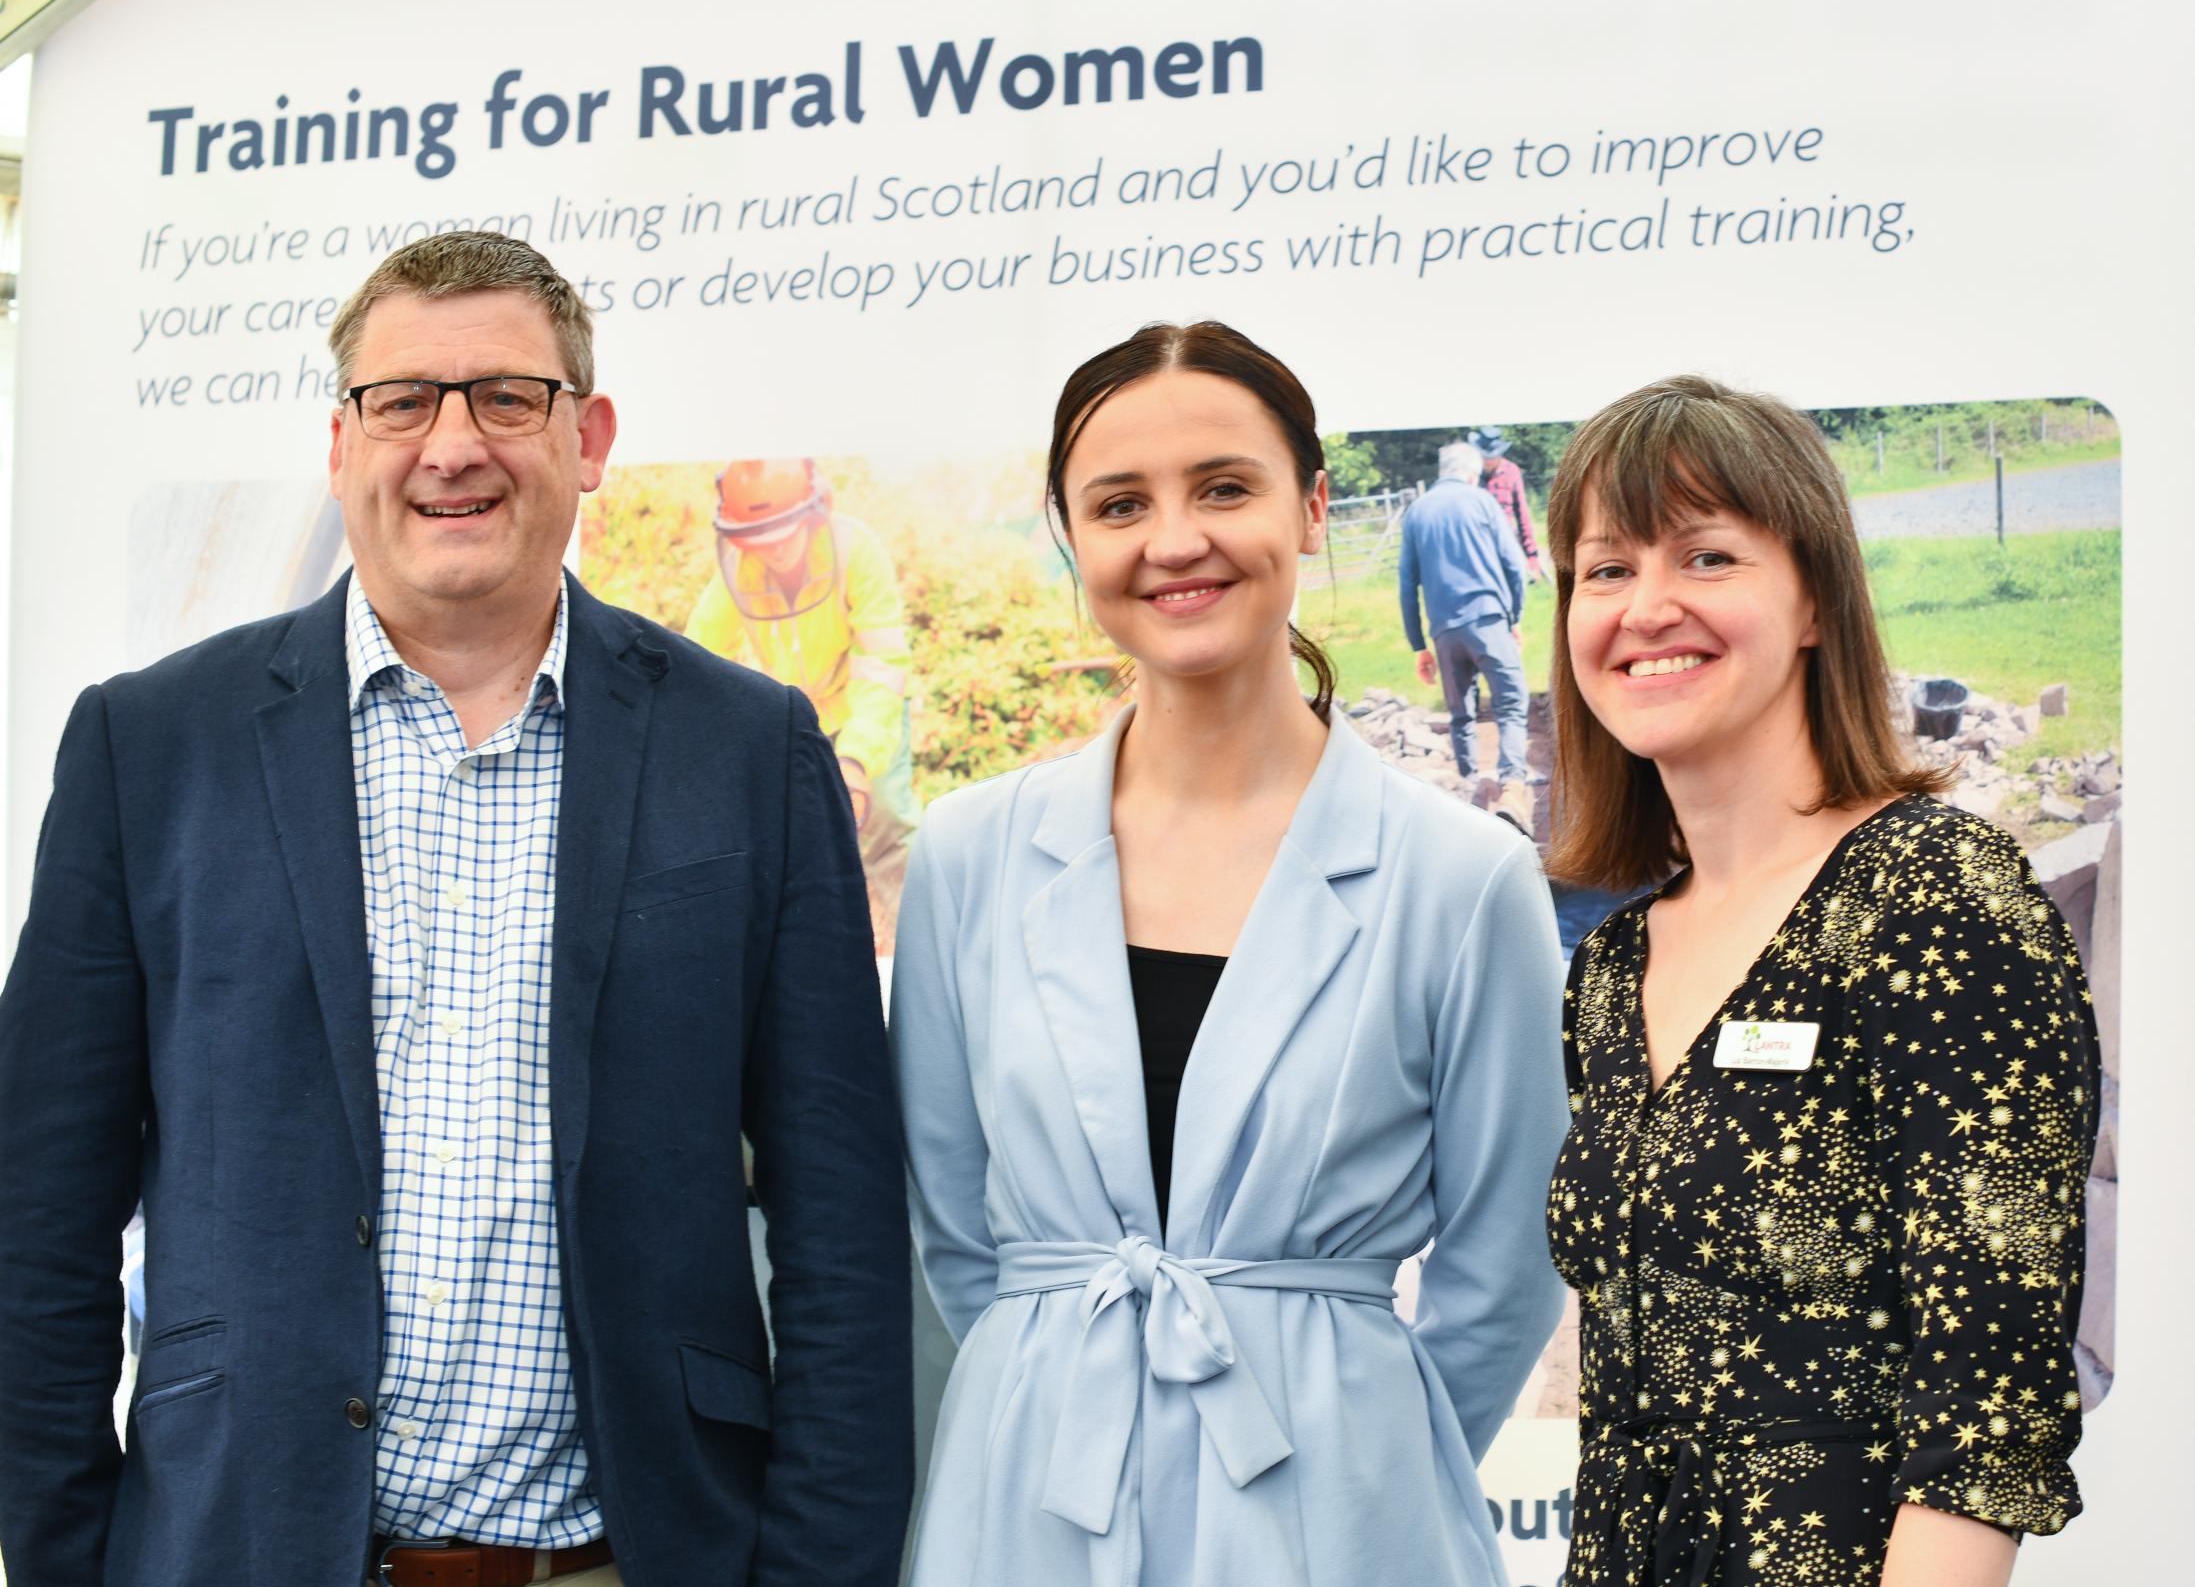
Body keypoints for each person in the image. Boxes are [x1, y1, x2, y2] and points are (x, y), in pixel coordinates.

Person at [0, 232, 913, 1587]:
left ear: (587, 435)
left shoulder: (746, 750)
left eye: (506, 397)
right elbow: (39, 1205)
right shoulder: (153, 745)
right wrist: (70, 1555)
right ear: (339, 439)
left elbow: (839, 1220)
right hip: (239, 1550)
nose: (451, 444)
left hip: (628, 1557)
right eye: (403, 399)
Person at [891, 321, 1566, 1587]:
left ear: (1309, 508)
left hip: (1338, 1507)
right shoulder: (968, 857)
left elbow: (1505, 1267)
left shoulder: (1459, 880)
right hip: (1031, 1499)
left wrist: (1359, 1442)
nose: (1174, 538)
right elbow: (953, 1237)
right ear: (1070, 537)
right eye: (1119, 502)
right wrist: (1068, 1387)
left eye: (1222, 486)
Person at [1543, 375, 2098, 1587]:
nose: (1645, 607)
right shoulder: (1612, 963)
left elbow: (1983, 1413)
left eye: (1703, 555)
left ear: (1810, 601)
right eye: (1603, 568)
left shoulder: (1932, 899)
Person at [685, 458, 918, 941]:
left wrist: (856, 759)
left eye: (784, 533)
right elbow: (698, 658)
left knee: (888, 822)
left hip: (864, 708)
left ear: (816, 512)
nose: (773, 549)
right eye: (758, 538)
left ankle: (914, 940)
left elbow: (882, 664)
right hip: (799, 720)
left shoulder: (857, 551)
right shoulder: (734, 570)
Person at [1399, 441, 1533, 832]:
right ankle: (1512, 787)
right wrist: (1514, 617)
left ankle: (1469, 790)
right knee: (1511, 703)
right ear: (1472, 473)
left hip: (1443, 631)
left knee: (1461, 714)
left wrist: (1418, 645)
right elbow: (1513, 564)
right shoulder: (1482, 501)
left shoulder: (1415, 512)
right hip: (1489, 619)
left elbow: (1407, 586)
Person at [1472, 426, 1543, 582]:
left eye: (1491, 457)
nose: (1487, 461)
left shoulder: (1511, 471)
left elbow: (1522, 513)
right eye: (1484, 457)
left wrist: (1532, 555)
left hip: (1506, 542)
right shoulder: (1471, 474)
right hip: (1478, 544)